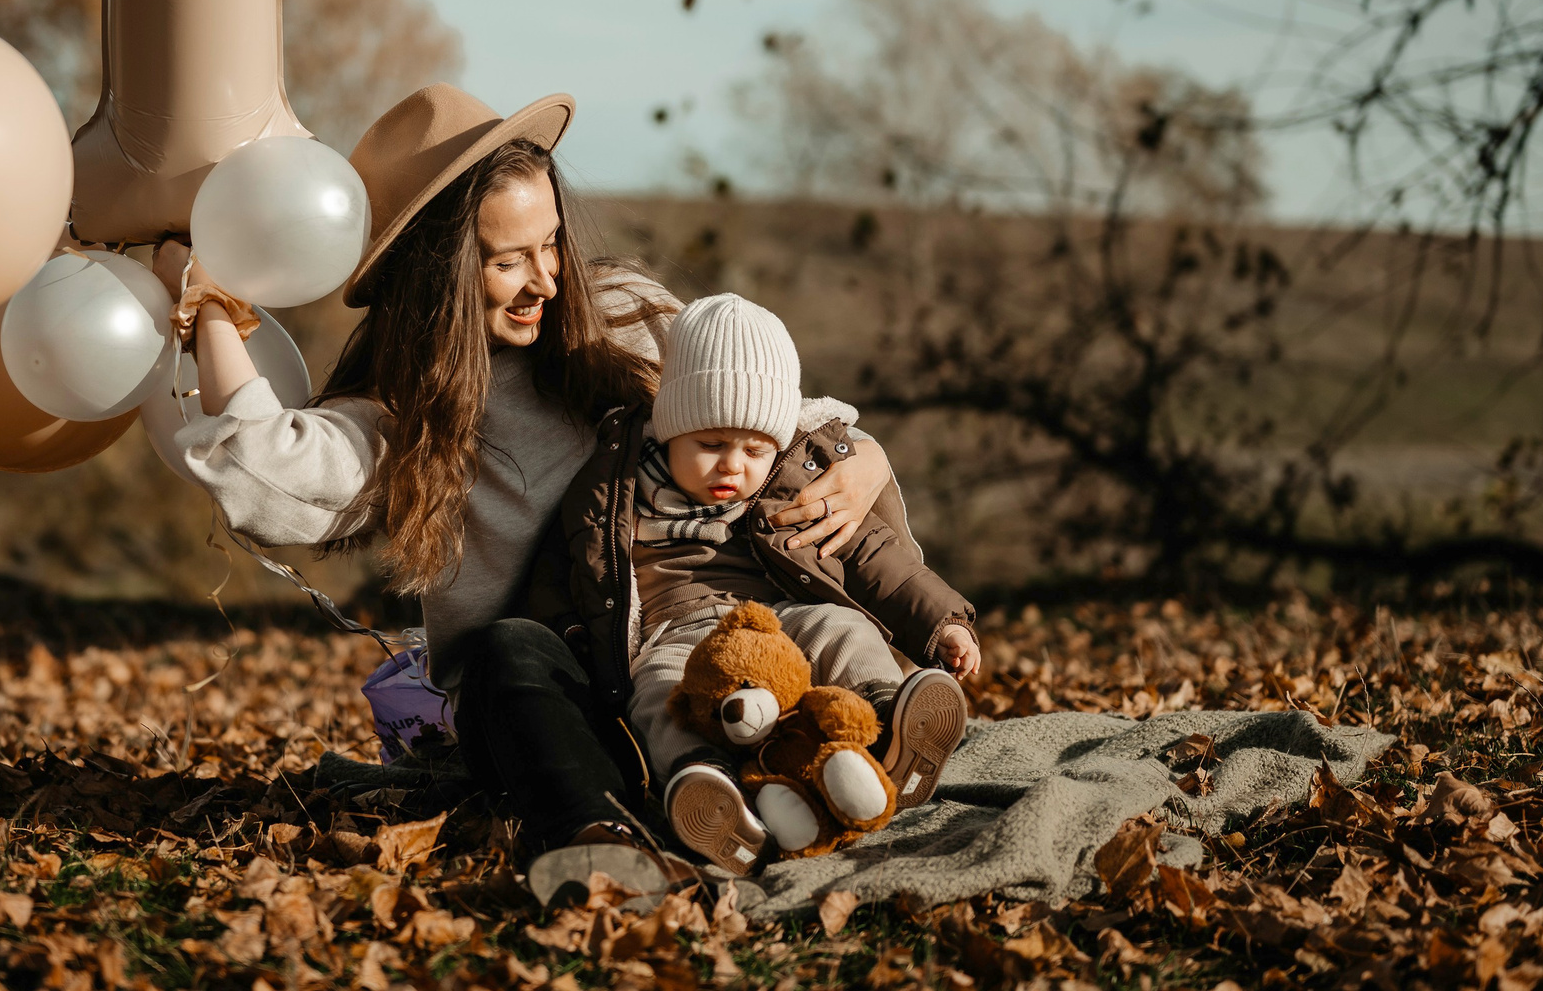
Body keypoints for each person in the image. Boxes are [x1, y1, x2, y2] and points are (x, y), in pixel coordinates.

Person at [148, 84, 900, 903]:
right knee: (509, 649)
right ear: (436, 270)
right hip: (556, 714)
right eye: (507, 259)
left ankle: (834, 764)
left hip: (697, 663)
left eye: (551, 244)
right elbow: (263, 469)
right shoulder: (408, 419)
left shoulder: (628, 314)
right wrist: (208, 305)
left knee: (791, 644)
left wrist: (867, 460)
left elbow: (760, 411)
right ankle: (597, 841)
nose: (544, 278)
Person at [523, 292, 981, 875]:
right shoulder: (613, 489)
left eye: (755, 449)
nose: (733, 466)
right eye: (710, 444)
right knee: (659, 692)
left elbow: (874, 556)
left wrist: (943, 622)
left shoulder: (792, 488)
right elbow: (562, 574)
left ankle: (889, 721)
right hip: (674, 630)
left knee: (841, 627)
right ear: (669, 430)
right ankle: (704, 783)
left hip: (780, 614)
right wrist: (571, 648)